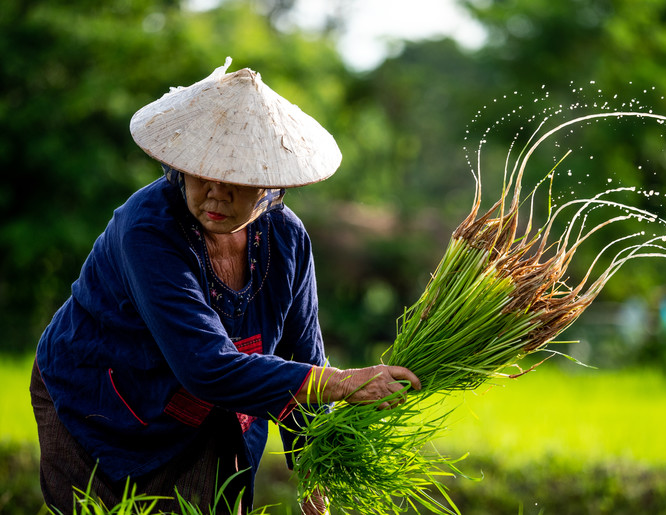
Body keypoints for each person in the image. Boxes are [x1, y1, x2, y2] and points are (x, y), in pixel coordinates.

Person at [30, 57, 420, 515]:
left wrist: (315, 471)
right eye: (202, 173)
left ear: (269, 185)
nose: (216, 192)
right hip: (102, 402)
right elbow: (205, 367)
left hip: (207, 411)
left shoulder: (287, 239)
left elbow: (303, 354)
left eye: (236, 179)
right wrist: (342, 384)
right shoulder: (147, 230)